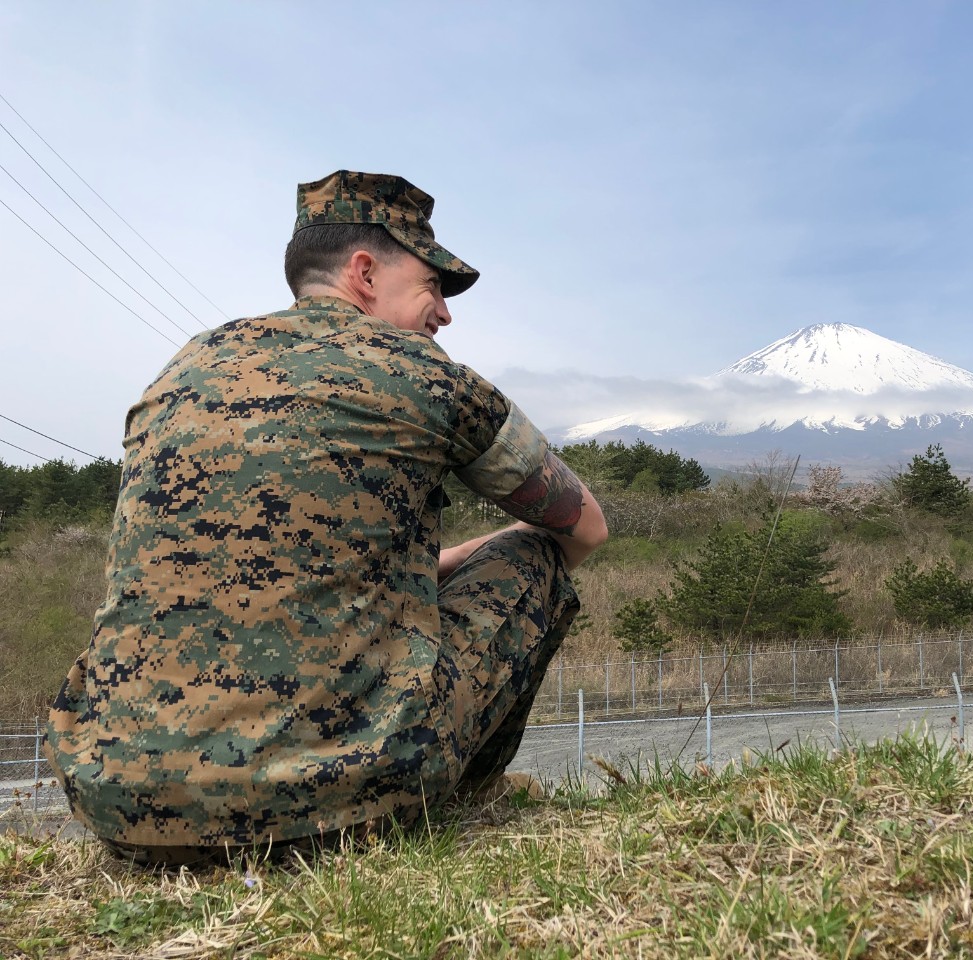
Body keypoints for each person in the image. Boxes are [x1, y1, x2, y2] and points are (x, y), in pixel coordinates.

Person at [46, 170, 607, 865]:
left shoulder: (184, 365)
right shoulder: (427, 373)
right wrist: (495, 552)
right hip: (334, 808)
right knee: (538, 553)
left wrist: (430, 571)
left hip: (118, 802)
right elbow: (584, 527)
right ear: (365, 272)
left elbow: (269, 566)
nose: (445, 313)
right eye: (433, 285)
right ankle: (459, 798)